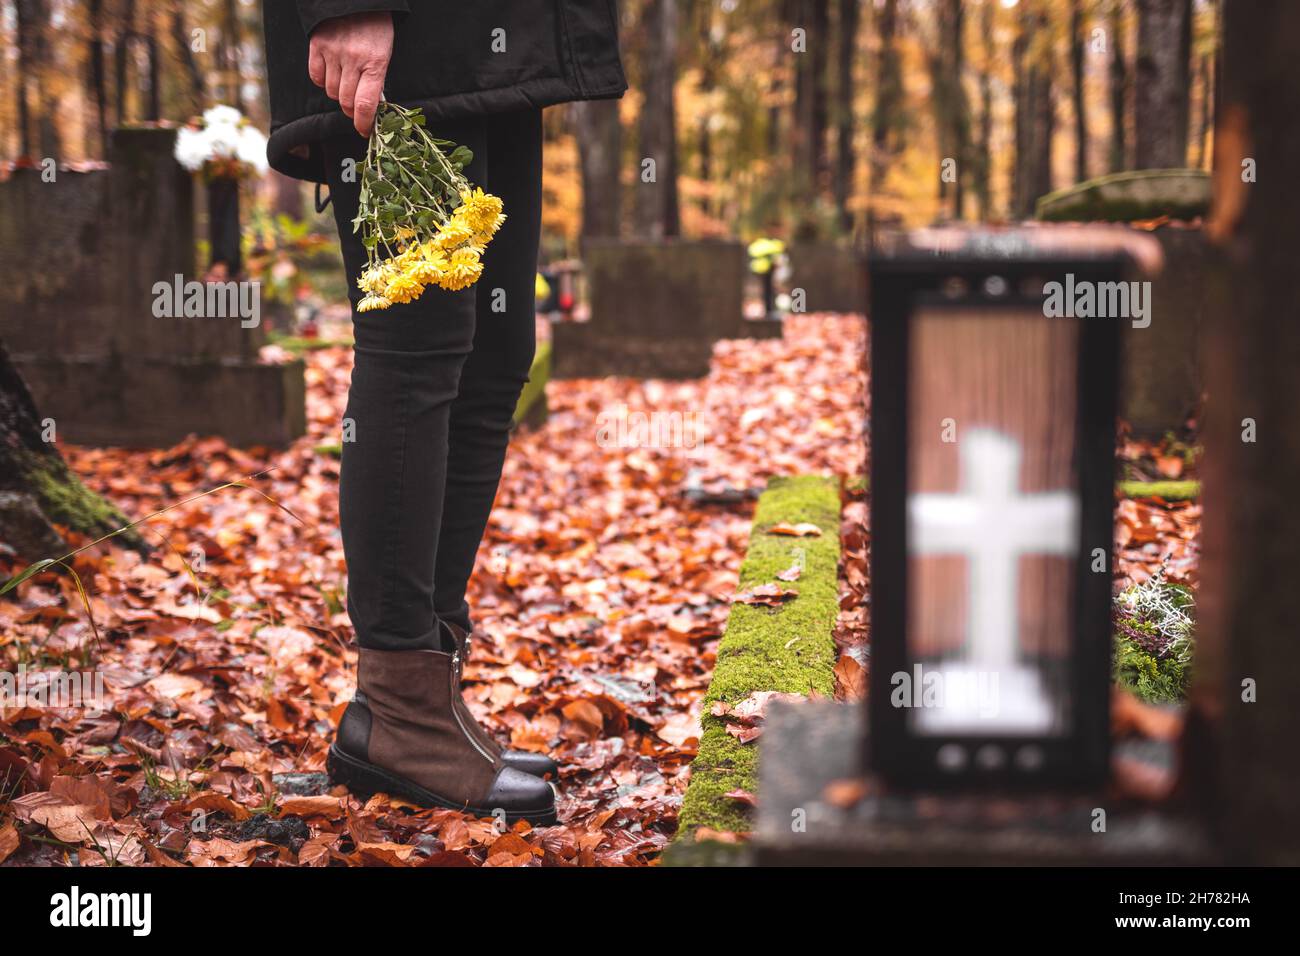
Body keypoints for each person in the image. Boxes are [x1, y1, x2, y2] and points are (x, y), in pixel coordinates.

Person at [262, 2, 626, 826]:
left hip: (497, 43)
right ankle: (398, 704)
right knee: (415, 346)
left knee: (496, 355)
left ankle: (435, 684)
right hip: (402, 42)